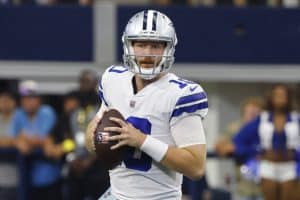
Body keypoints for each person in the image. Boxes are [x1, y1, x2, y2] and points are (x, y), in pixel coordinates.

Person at [85, 10, 208, 200]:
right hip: (117, 195)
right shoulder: (113, 80)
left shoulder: (182, 94)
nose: (148, 53)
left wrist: (142, 141)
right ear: (129, 46)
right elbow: (91, 142)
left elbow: (196, 167)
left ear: (169, 48)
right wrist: (95, 136)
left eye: (156, 45)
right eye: (141, 44)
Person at [233, 84, 300, 200]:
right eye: (277, 95)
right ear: (271, 98)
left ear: (289, 98)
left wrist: (296, 154)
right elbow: (239, 139)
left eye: (283, 95)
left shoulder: (295, 119)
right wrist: (256, 152)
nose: (280, 98)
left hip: (290, 166)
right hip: (268, 166)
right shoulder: (262, 119)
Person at [9, 80, 62, 200]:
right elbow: (12, 138)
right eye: (24, 98)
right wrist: (18, 141)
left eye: (31, 97)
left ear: (39, 99)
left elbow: (44, 138)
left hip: (49, 177)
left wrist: (23, 139)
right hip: (26, 179)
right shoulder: (18, 114)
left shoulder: (47, 112)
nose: (27, 101)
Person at [215, 97, 263, 200]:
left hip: (264, 186)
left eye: (256, 113)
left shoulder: (266, 129)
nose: (253, 116)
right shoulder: (235, 128)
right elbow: (220, 147)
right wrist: (244, 149)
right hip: (242, 186)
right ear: (243, 114)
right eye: (250, 113)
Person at [0, 91, 18, 200]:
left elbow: (22, 141)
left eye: (7, 101)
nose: (4, 104)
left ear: (13, 102)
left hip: (14, 178)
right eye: (1, 101)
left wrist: (12, 141)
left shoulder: (20, 117)